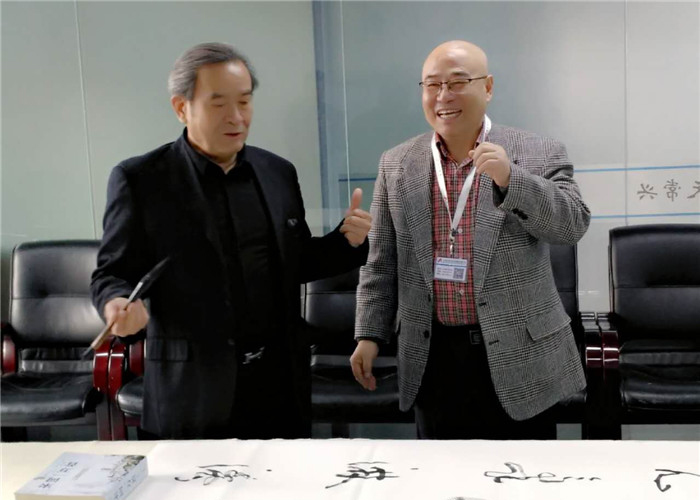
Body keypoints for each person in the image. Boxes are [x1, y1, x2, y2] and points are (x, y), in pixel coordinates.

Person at [91, 42, 371, 440]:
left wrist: (345, 242)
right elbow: (111, 273)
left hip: (277, 385)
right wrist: (116, 303)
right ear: (181, 107)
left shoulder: (277, 172)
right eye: (218, 103)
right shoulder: (142, 180)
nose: (236, 117)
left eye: (244, 101)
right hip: (194, 390)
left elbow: (294, 262)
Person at [350, 40, 590, 439]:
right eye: (432, 84)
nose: (443, 96)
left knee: (523, 471)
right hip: (432, 356)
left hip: (520, 356)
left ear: (488, 87)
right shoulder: (397, 163)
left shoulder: (538, 152)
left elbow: (573, 224)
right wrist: (369, 335)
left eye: (458, 82)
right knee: (440, 471)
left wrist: (512, 180)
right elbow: (381, 262)